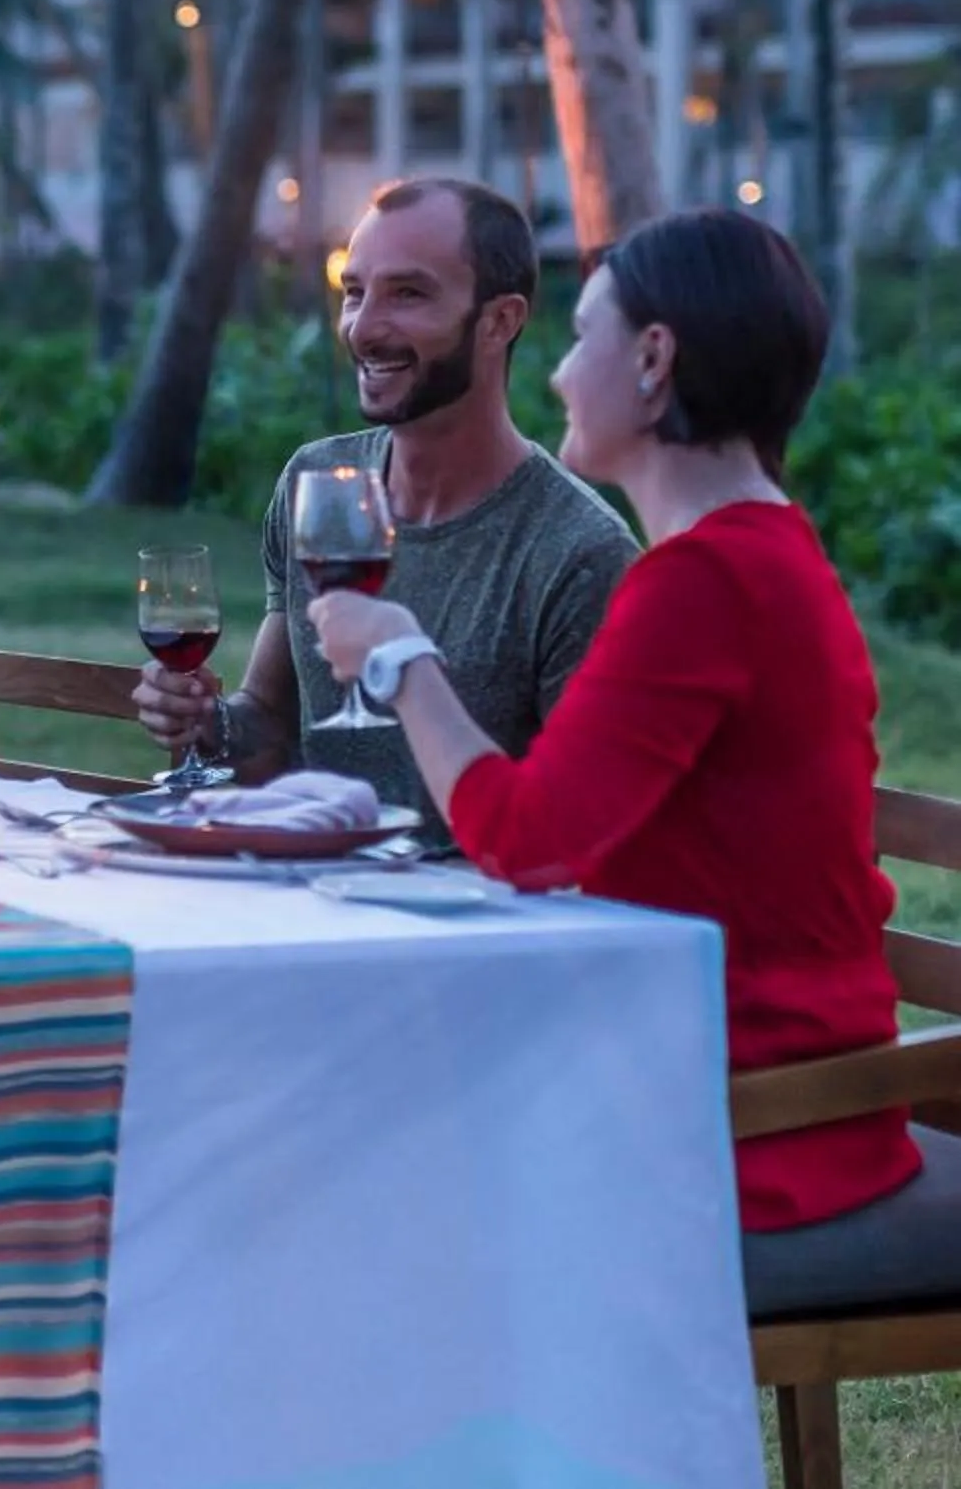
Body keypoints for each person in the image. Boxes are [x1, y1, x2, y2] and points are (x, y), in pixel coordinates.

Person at [312, 210, 926, 1289]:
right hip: (734, 1090)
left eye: (581, 337)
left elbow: (525, 841)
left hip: (749, 1137)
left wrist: (402, 659)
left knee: (343, 1185)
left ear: (652, 360)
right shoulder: (760, 553)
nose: (555, 376)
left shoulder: (704, 584)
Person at [134, 178, 638, 823]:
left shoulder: (580, 552)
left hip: (469, 888)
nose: (363, 328)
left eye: (407, 294)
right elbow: (271, 727)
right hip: (314, 876)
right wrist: (208, 723)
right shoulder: (319, 485)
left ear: (500, 321)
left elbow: (579, 821)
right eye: (354, 292)